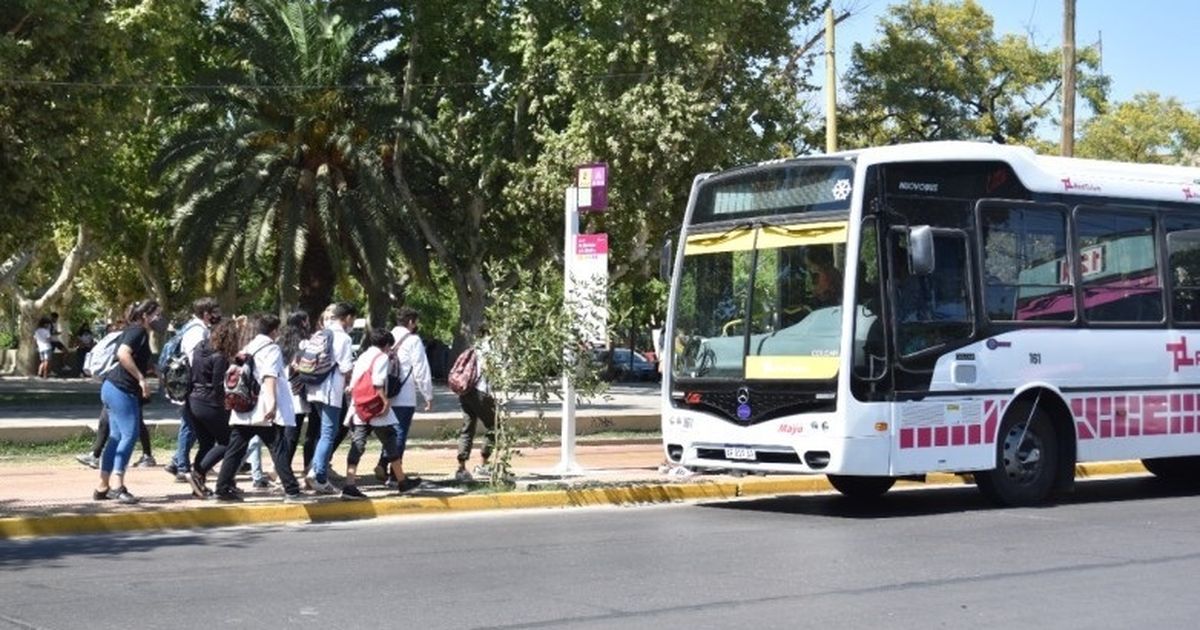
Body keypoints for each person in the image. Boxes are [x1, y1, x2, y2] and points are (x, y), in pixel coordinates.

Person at [212, 313, 303, 503]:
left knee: (235, 450)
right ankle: (292, 489)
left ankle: (221, 488)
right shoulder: (271, 348)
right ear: (274, 330)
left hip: (243, 407)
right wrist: (272, 404)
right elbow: (269, 377)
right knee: (278, 447)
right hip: (260, 407)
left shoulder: (248, 347)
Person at [93, 299, 163, 504]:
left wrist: (151, 370)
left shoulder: (135, 331)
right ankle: (117, 485)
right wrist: (141, 379)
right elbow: (123, 354)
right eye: (157, 314)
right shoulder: (138, 331)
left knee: (116, 437)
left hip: (112, 387)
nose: (160, 319)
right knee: (129, 435)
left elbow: (132, 357)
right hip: (121, 389)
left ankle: (103, 486)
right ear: (145, 316)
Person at [340, 329, 407, 499]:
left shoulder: (363, 356)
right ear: (386, 345)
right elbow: (378, 383)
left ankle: (349, 484)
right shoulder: (382, 357)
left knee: (358, 444)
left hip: (359, 406)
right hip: (375, 406)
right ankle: (402, 482)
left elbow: (354, 382)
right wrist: (385, 402)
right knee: (390, 440)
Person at [166, 297, 223, 481]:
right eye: (214, 312)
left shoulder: (196, 328)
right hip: (192, 383)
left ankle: (179, 462)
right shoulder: (197, 332)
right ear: (206, 314)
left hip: (192, 383)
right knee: (189, 425)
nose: (217, 315)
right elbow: (193, 359)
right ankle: (181, 466)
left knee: (192, 425)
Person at [377, 306, 432, 490]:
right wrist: (427, 394)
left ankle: (383, 464)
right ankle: (395, 475)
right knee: (399, 433)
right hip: (404, 394)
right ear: (410, 322)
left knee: (388, 433)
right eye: (415, 322)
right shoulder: (413, 340)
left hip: (385, 392)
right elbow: (421, 368)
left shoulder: (386, 337)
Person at [185, 318, 239, 499]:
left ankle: (197, 485)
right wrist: (227, 406)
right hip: (210, 403)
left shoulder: (200, 349)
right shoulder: (220, 357)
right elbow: (218, 386)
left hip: (194, 401)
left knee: (206, 444)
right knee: (228, 442)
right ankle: (198, 473)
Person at [306, 302, 356, 494]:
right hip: (330, 390)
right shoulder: (343, 337)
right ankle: (318, 475)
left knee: (325, 431)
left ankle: (316, 468)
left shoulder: (320, 333)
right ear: (348, 318)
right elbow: (345, 367)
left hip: (314, 387)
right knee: (329, 432)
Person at [454, 323, 496, 483]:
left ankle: (461, 467)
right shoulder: (491, 348)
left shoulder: (473, 348)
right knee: (495, 427)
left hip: (466, 392)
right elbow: (495, 370)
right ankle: (484, 464)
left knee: (467, 428)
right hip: (481, 391)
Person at [277, 311, 311, 471]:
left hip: (282, 389)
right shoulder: (303, 343)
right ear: (303, 322)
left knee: (285, 431)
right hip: (297, 391)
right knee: (293, 432)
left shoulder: (279, 341)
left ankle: (281, 466)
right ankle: (284, 467)